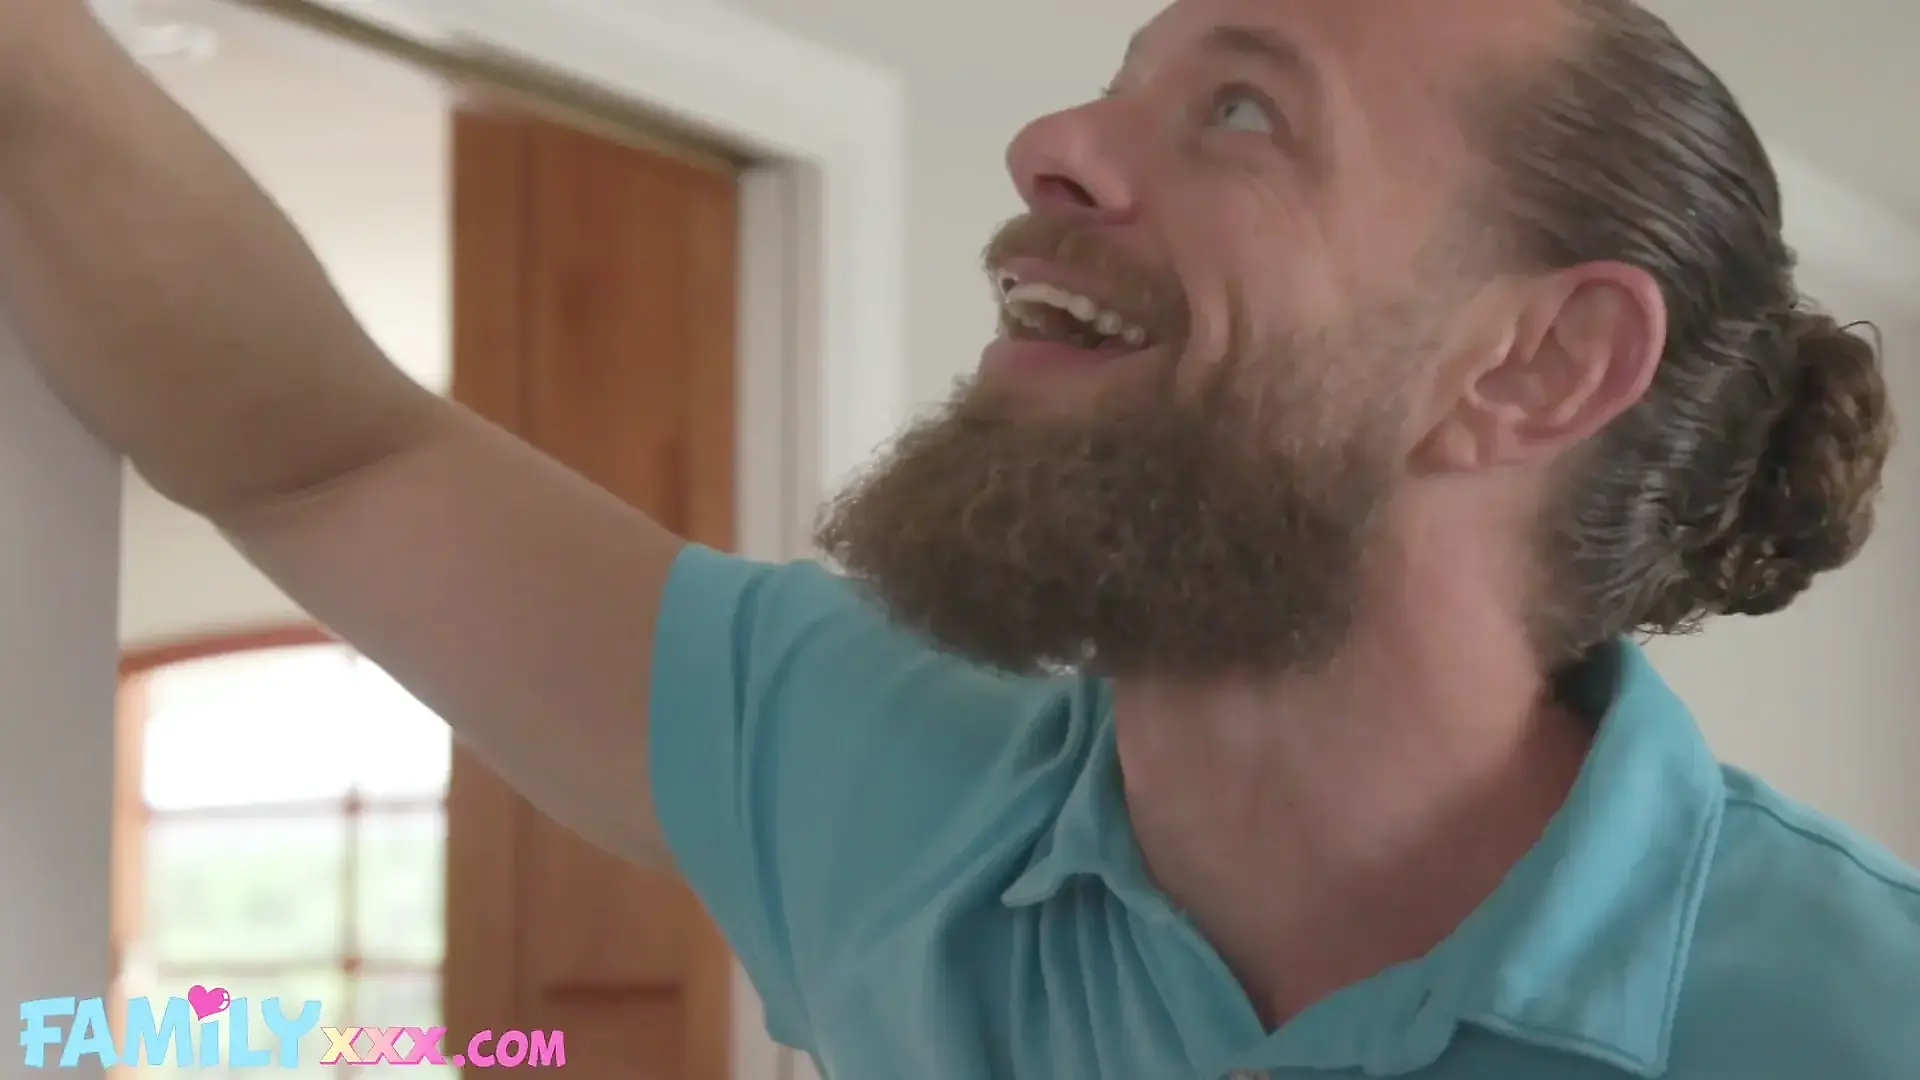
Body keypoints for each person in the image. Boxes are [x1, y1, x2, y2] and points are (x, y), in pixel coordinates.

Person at [1, 0, 1913, 1075]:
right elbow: (326, 453)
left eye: (1243, 111)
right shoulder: (894, 786)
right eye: (1125, 78)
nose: (1053, 143)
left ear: (1539, 364)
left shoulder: (1853, 1020)